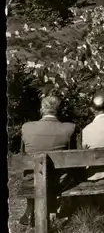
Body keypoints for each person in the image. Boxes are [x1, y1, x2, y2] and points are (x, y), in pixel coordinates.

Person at [19, 95, 76, 226]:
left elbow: (22, 155)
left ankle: (29, 211)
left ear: (41, 109)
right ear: (58, 110)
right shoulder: (69, 128)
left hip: (31, 179)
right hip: (58, 181)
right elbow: (73, 159)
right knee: (61, 173)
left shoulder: (26, 127)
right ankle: (52, 208)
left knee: (30, 173)